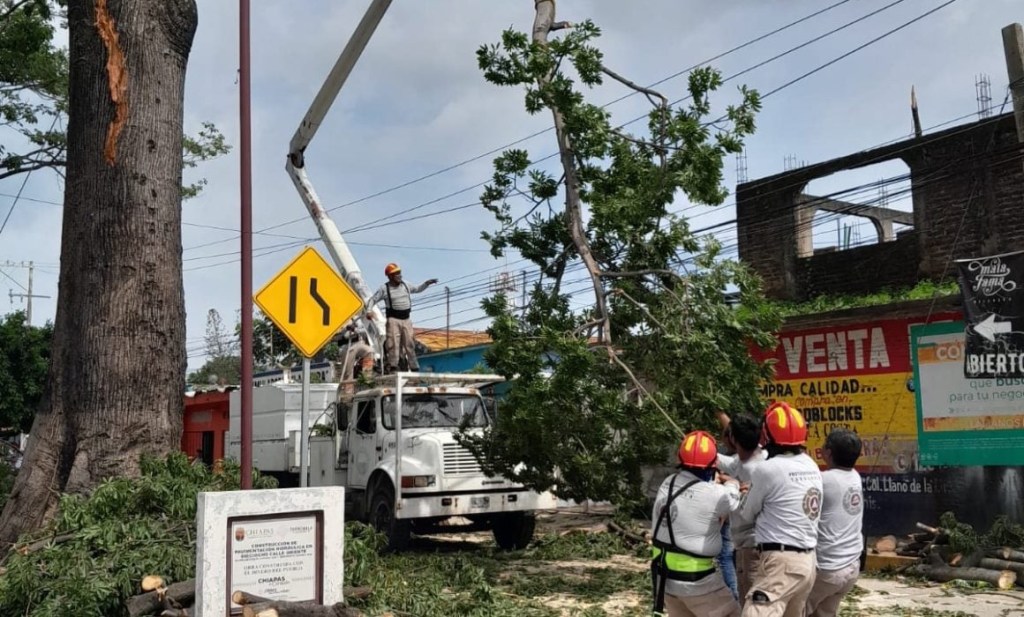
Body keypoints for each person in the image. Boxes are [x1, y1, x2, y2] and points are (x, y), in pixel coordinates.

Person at [738, 401, 822, 617]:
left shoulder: (767, 469)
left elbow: (747, 514)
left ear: (766, 436)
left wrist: (743, 493)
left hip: (780, 564)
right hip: (807, 562)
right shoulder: (811, 464)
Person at [651, 430, 743, 617]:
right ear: (714, 464)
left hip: (664, 579)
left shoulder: (668, 482)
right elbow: (732, 497)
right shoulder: (715, 493)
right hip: (697, 581)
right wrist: (732, 482)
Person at [805, 429, 864, 617]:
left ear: (828, 452)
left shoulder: (824, 480)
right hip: (851, 565)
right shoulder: (855, 476)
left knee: (794, 609)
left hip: (828, 568)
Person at [716, 411, 768, 601]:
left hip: (750, 547)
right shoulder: (762, 455)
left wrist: (732, 485)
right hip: (763, 546)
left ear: (732, 440)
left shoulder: (751, 469)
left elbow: (744, 509)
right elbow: (729, 462)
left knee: (751, 603)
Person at [366, 263, 437, 373]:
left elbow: (417, 289)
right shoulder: (384, 288)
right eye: (396, 274)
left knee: (409, 343)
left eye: (399, 273)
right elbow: (372, 300)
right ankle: (393, 366)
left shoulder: (405, 285)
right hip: (393, 320)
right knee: (393, 343)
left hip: (406, 319)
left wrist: (426, 284)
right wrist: (369, 311)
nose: (399, 275)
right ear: (390, 276)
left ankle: (414, 367)